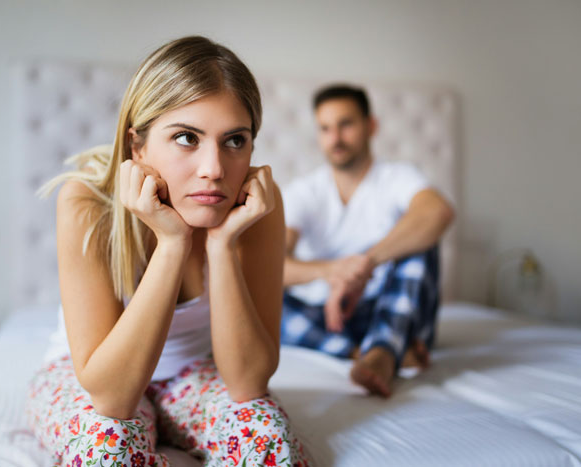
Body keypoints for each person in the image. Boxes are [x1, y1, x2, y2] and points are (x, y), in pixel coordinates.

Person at [26, 36, 311, 466]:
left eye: (235, 140)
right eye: (185, 138)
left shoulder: (257, 209)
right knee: (105, 450)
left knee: (266, 436)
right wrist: (172, 242)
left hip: (193, 375)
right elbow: (112, 395)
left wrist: (223, 245)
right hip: (92, 377)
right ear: (137, 145)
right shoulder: (86, 203)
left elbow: (247, 383)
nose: (214, 169)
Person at [280, 84, 455, 398]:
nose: (335, 138)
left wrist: (365, 264)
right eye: (325, 128)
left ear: (370, 126)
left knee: (420, 244)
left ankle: (385, 350)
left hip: (395, 309)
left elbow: (438, 212)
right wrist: (332, 272)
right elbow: (271, 265)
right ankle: (364, 352)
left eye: (345, 124)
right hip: (332, 317)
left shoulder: (397, 177)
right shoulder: (305, 192)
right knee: (262, 299)